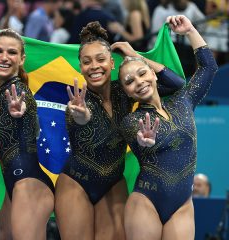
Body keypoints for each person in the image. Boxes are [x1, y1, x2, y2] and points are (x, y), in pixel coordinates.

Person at [54, 21, 186, 239]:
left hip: (113, 184)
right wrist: (81, 116)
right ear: (80, 67)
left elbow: (176, 85)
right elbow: (79, 120)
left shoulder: (124, 91)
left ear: (112, 63)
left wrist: (133, 54)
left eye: (100, 59)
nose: (94, 66)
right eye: (87, 62)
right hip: (76, 183)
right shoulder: (78, 102)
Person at [117, 15, 218, 239]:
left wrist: (190, 30)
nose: (139, 82)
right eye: (129, 81)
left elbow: (208, 67)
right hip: (146, 201)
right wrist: (145, 142)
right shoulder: (133, 121)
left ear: (152, 74)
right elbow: (141, 141)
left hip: (182, 205)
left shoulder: (183, 100)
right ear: (126, 92)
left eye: (142, 73)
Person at [0, 28, 55, 239]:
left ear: (22, 58)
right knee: (3, 234)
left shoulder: (19, 92)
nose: (4, 57)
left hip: (31, 185)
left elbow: (27, 111)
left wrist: (21, 112)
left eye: (12, 53)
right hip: (13, 186)